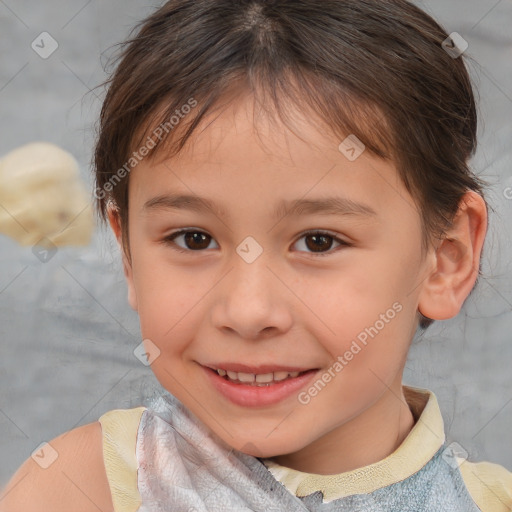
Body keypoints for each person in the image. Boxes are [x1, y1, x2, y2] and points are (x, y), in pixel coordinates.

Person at [2, 0, 511, 510]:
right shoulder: (75, 491)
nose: (248, 312)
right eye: (193, 239)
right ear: (128, 252)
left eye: (319, 241)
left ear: (447, 257)